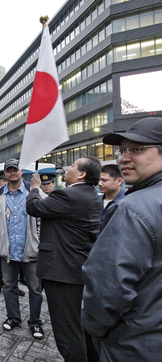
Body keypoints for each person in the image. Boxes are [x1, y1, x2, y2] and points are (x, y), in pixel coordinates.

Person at [82, 117, 162, 361]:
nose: (124, 158)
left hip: (134, 344)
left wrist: (97, 330)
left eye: (137, 149)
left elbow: (106, 291)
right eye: (122, 150)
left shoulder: (132, 208)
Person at [26, 156, 102, 362]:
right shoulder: (90, 195)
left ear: (82, 174)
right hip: (77, 268)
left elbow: (34, 208)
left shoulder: (69, 195)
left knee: (67, 332)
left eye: (73, 166)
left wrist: (34, 188)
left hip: (62, 272)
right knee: (82, 327)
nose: (68, 168)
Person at [0, 158, 44, 340]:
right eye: (9, 170)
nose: (12, 173)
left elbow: (42, 219)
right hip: (8, 251)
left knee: (35, 289)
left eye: (16, 170)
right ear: (5, 173)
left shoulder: (32, 191)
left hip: (30, 250)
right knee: (9, 286)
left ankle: (35, 322)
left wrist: (38, 241)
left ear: (22, 172)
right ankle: (13, 317)